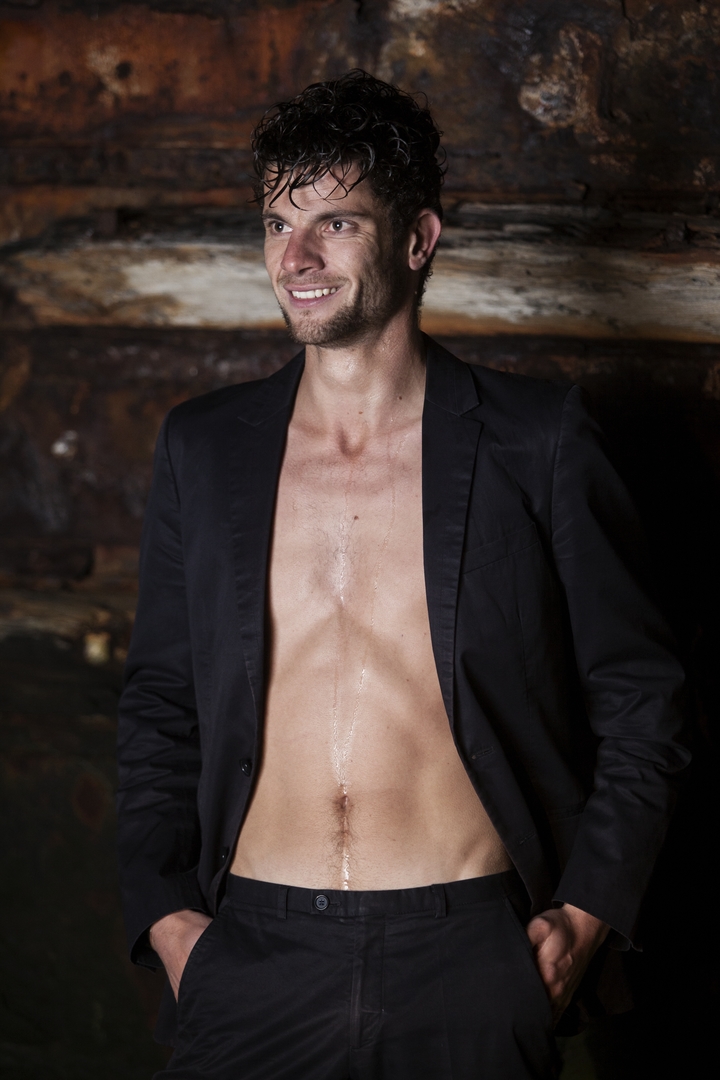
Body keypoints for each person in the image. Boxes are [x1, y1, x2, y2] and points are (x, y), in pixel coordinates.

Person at [117, 70, 689, 1079]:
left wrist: (584, 918)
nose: (294, 258)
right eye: (277, 224)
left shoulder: (537, 441)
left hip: (468, 955)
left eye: (334, 224)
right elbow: (162, 703)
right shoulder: (202, 448)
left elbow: (643, 700)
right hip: (250, 953)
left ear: (418, 239)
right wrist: (168, 920)